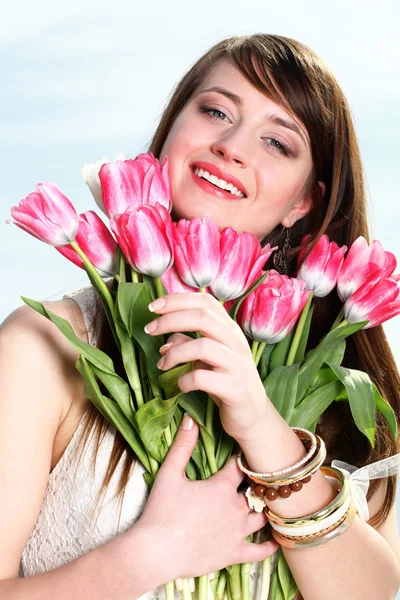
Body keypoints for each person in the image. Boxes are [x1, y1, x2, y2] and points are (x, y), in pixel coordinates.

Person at [1, 33, 400, 599]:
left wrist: (262, 426)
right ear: (170, 135)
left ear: (303, 203)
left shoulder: (341, 397)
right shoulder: (44, 346)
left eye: (277, 143)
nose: (232, 146)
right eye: (215, 111)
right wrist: (152, 553)